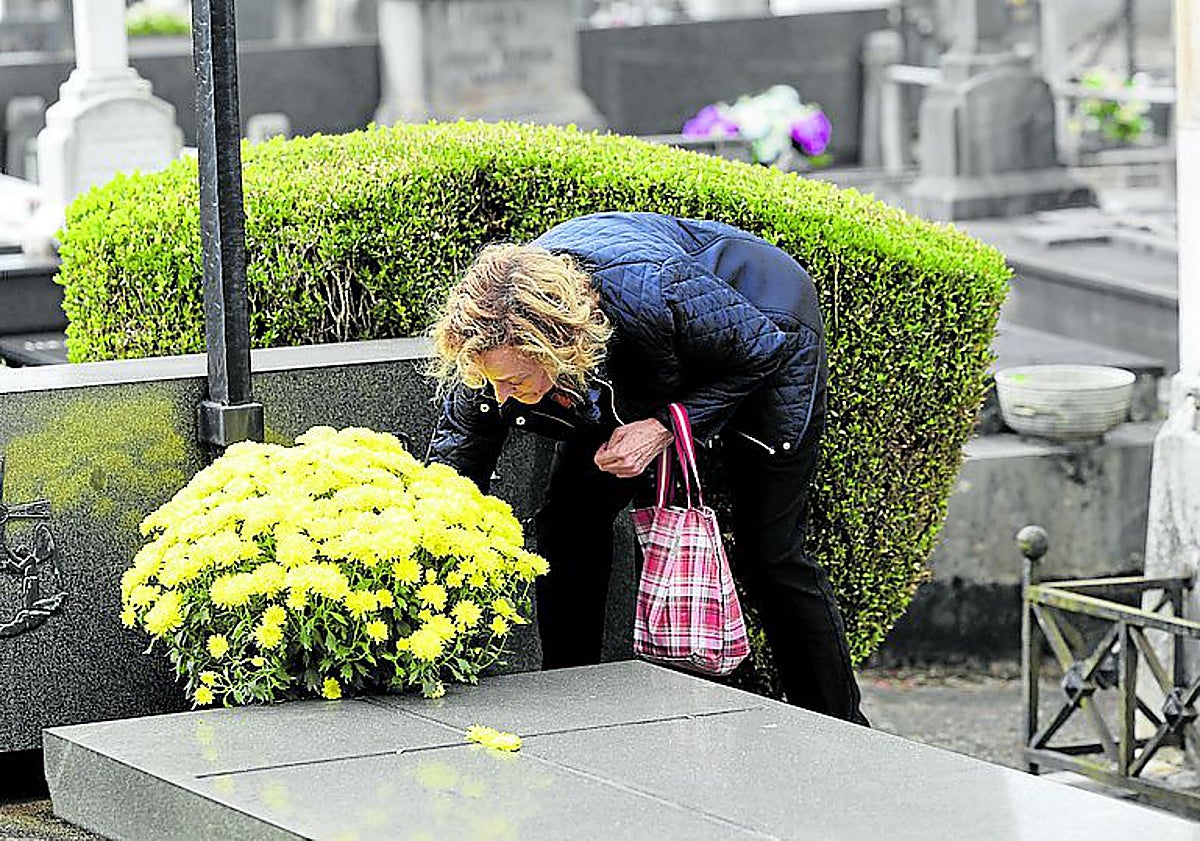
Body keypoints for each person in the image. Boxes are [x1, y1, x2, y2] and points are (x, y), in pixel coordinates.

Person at [426, 211, 867, 724]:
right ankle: (575, 703)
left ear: (553, 348)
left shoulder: (653, 288)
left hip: (765, 323)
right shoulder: (491, 343)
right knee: (568, 523)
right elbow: (459, 452)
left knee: (769, 549)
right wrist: (440, 545)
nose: (501, 398)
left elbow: (759, 348)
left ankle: (840, 724)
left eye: (512, 381)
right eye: (490, 381)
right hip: (641, 365)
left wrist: (661, 427)